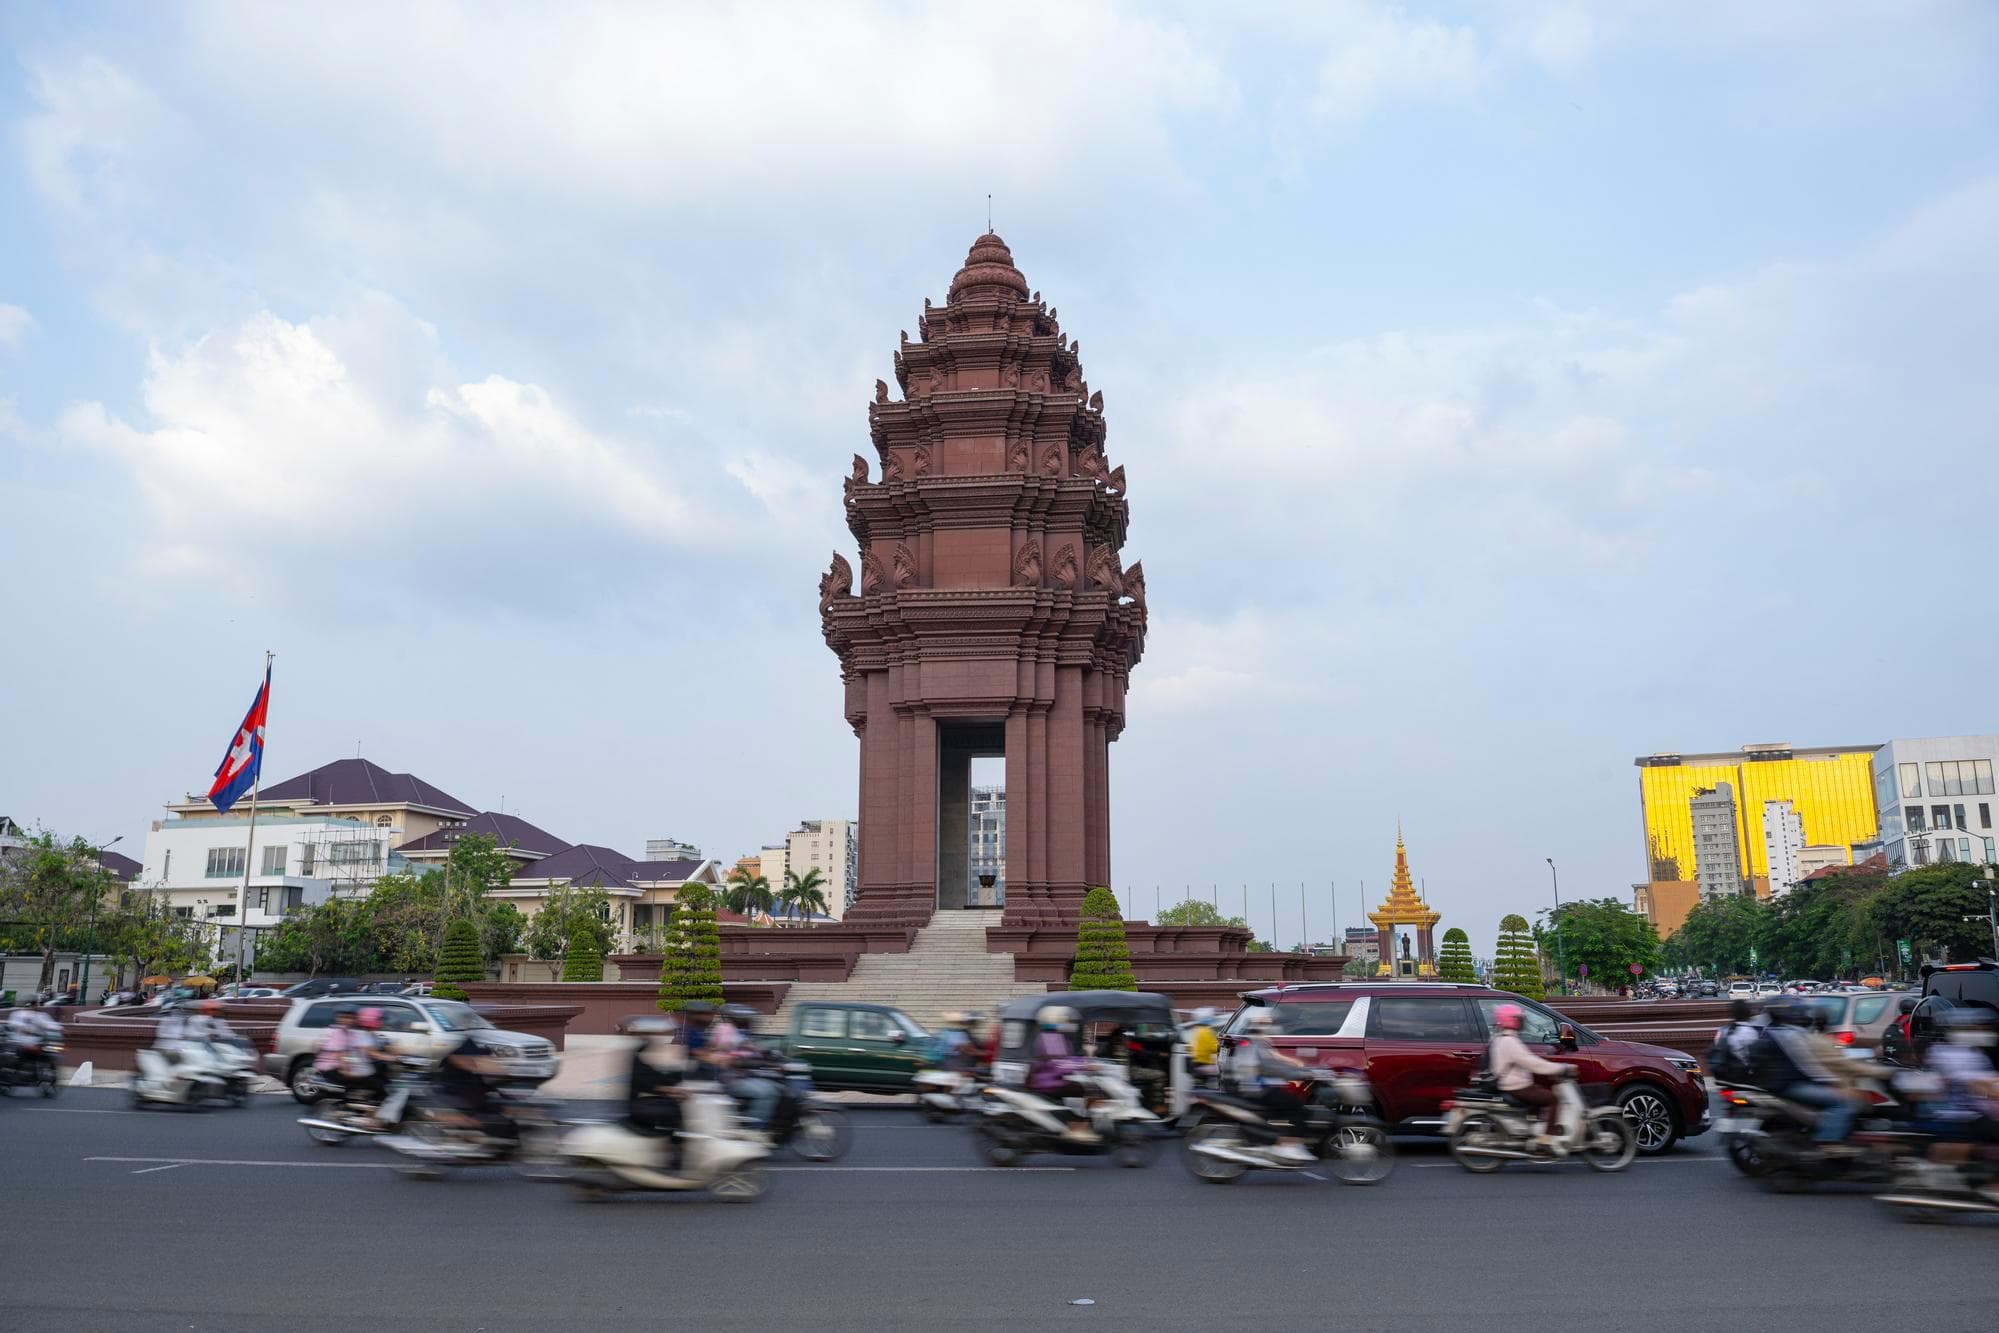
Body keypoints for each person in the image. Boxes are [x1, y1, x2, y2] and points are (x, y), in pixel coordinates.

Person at [1755, 999, 1861, 1149]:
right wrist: (1835, 1083)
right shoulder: (1788, 1035)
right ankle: (1828, 1142)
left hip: (1782, 1083)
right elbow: (1808, 1065)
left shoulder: (1772, 1031)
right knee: (1842, 1102)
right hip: (1789, 1085)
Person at [1230, 1009, 1316, 1163]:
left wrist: (1300, 1069)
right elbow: (1269, 1066)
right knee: (1297, 1107)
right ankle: (1288, 1146)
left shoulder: (1256, 1040)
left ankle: (1280, 1142)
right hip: (1255, 1089)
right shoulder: (1251, 1041)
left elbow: (1274, 1061)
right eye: (1266, 1022)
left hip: (1255, 1087)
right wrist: (1299, 1074)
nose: (1270, 1024)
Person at [1488, 1002, 1569, 1147]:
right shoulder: (1510, 1042)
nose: (1522, 1022)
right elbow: (1532, 1063)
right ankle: (1547, 1138)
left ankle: (1533, 1131)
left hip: (1511, 1083)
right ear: (1512, 1020)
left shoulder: (1500, 1038)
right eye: (1519, 1019)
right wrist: (1560, 1068)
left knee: (1539, 1095)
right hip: (1516, 1086)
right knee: (1553, 1099)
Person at [1026, 1006, 1097, 1141]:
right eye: (1066, 1020)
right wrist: (1085, 1064)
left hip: (1053, 1078)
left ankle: (1077, 1123)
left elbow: (1066, 1059)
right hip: (1047, 1081)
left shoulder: (1057, 1037)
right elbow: (1058, 1064)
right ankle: (1078, 1127)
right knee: (1088, 1090)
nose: (1069, 1023)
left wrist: (1085, 1060)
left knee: (1082, 1088)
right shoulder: (1050, 1038)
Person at [711, 1005, 782, 1134]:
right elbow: (731, 1052)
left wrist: (769, 1055)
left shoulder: (740, 1033)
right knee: (768, 1092)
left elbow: (752, 1050)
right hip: (730, 1079)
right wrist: (748, 1058)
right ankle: (753, 1130)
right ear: (740, 1019)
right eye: (749, 1019)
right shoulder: (726, 1031)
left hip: (744, 1075)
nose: (752, 1022)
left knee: (777, 1084)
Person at [1186, 1008, 1221, 1079]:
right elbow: (1213, 1048)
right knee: (1220, 1072)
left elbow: (1191, 1046)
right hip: (1204, 1063)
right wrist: (1221, 1047)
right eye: (1211, 1017)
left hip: (1194, 1062)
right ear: (1207, 1018)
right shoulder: (1207, 1031)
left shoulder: (1196, 1030)